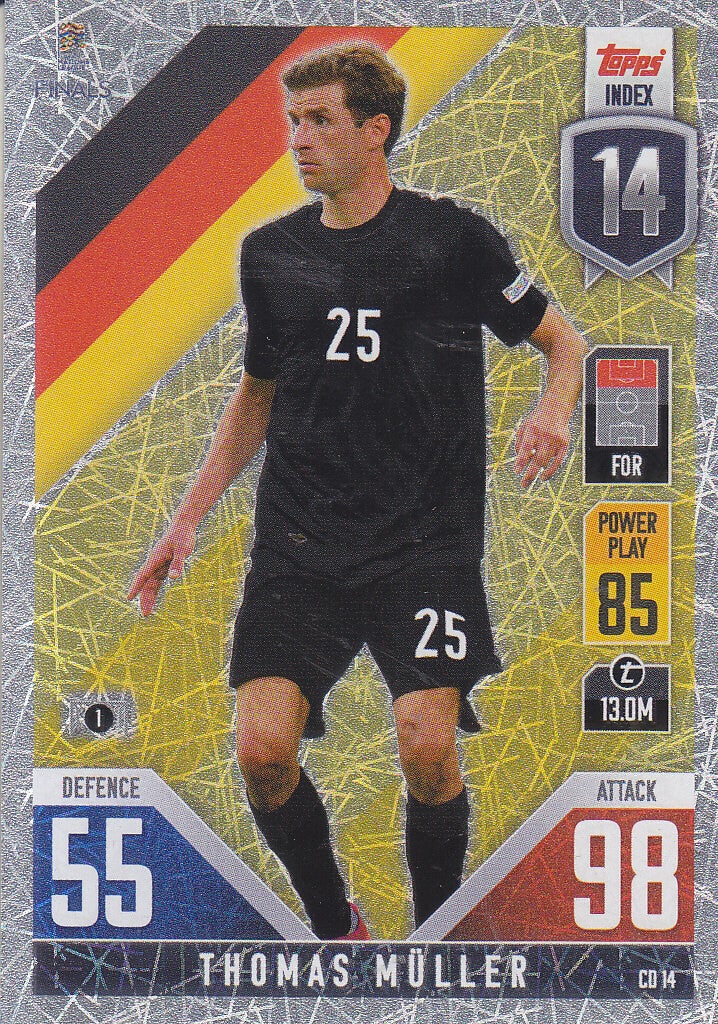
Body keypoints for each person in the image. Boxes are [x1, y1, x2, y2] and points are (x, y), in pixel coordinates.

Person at [128, 42, 587, 941]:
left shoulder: (452, 238)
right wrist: (185, 519)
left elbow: (563, 343)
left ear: (376, 130)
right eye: (293, 121)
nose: (298, 140)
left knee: (427, 744)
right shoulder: (270, 254)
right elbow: (257, 395)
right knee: (261, 752)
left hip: (424, 543)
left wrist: (553, 411)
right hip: (300, 543)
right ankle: (338, 928)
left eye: (320, 121)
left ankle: (432, 937)